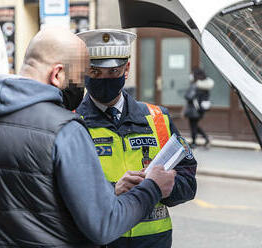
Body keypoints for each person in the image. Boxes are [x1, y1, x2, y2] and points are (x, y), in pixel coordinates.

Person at [0, 27, 177, 248]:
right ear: (57, 74)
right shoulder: (64, 129)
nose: (82, 86)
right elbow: (104, 225)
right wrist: (153, 187)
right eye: (81, 77)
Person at [76, 29, 197, 248]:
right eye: (95, 72)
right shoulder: (71, 123)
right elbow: (58, 191)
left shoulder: (158, 118)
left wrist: (166, 187)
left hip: (153, 242)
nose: (104, 79)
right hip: (99, 241)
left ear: (127, 69)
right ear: (84, 71)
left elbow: (188, 182)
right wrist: (111, 191)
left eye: (113, 71)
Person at [184, 67, 214, 148]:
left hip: (194, 109)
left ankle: (194, 142)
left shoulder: (196, 85)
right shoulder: (204, 85)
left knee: (193, 126)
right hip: (200, 109)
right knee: (195, 125)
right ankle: (206, 138)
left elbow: (189, 96)